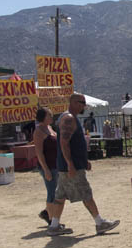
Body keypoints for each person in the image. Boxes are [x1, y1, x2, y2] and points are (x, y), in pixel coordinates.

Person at [53, 93, 119, 235]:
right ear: (75, 103)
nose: (84, 105)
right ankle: (100, 223)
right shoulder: (69, 119)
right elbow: (64, 143)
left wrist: (84, 160)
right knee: (86, 193)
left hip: (71, 164)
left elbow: (74, 143)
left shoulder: (69, 118)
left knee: (60, 195)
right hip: (72, 166)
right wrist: (70, 163)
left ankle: (54, 225)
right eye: (82, 102)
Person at [32, 107, 72, 236]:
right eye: (49, 115)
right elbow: (39, 152)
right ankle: (51, 220)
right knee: (52, 192)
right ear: (43, 117)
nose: (51, 117)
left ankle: (48, 214)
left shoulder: (49, 128)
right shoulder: (38, 131)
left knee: (58, 191)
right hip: (48, 166)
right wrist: (46, 169)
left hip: (56, 165)